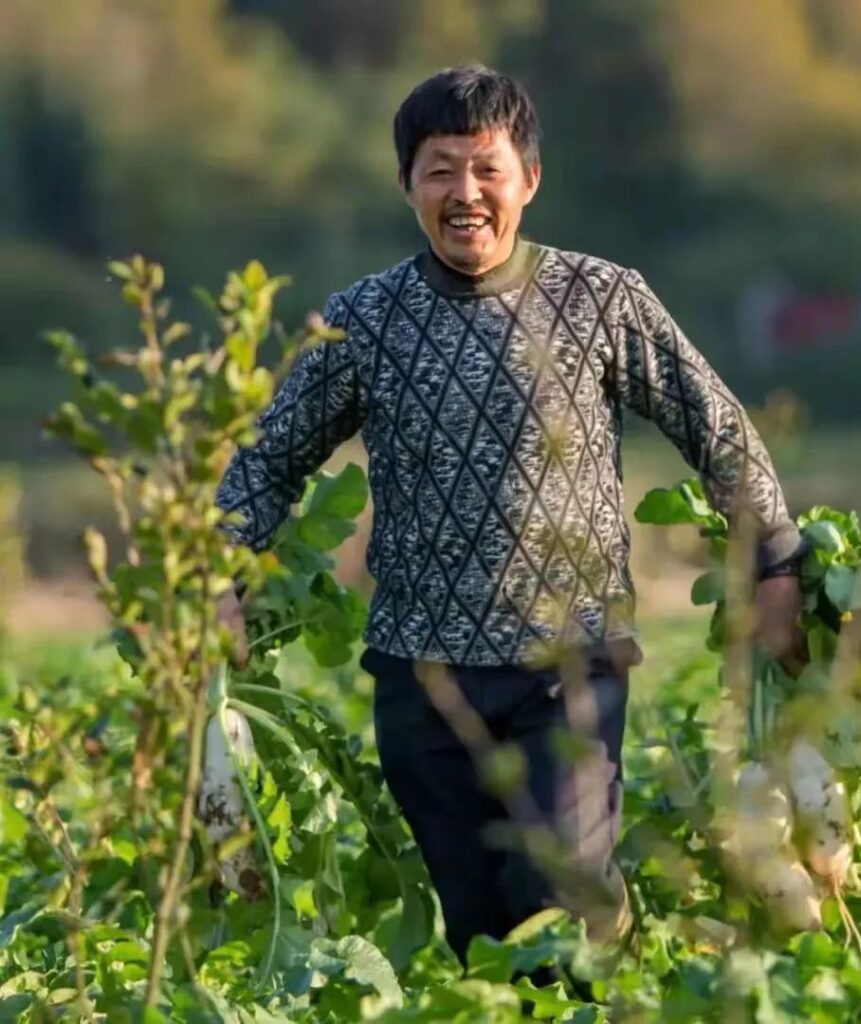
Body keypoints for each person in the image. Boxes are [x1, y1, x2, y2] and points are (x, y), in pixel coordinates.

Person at [214, 64, 806, 966]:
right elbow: (269, 458)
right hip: (424, 676)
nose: (465, 193)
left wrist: (775, 563)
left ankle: (605, 956)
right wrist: (220, 578)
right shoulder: (365, 319)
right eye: (440, 169)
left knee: (557, 896)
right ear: (408, 184)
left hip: (566, 667)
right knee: (478, 928)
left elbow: (716, 428)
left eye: (486, 168)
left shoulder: (601, 299)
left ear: (529, 179)